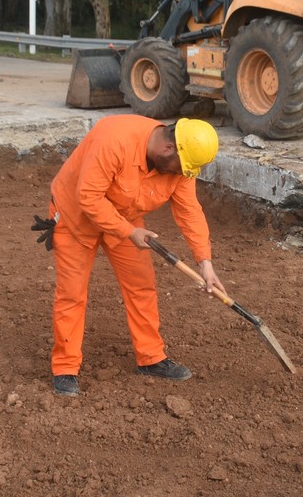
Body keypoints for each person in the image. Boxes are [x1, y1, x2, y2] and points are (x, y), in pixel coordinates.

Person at [32, 115, 222, 397]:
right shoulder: (114, 140)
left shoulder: (180, 162)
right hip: (75, 218)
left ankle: (151, 358)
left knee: (141, 285)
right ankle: (65, 368)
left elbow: (189, 211)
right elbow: (89, 198)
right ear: (169, 150)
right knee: (72, 293)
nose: (183, 175)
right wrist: (128, 232)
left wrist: (205, 263)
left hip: (126, 219)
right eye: (182, 169)